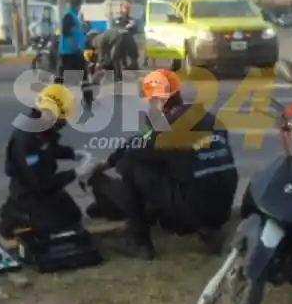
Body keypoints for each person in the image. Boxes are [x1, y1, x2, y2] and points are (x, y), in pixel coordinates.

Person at [78, 68, 238, 260]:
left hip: (194, 210)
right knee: (176, 167)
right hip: (223, 209)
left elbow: (133, 148)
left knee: (130, 164)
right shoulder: (212, 119)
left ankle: (140, 243)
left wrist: (106, 164)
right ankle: (208, 232)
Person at [0, 84, 87, 239]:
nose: (63, 123)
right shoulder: (28, 138)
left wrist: (72, 154)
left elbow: (49, 149)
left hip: (44, 190)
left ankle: (34, 212)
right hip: (30, 192)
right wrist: (76, 173)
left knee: (73, 216)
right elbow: (41, 182)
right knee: (56, 227)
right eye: (61, 118)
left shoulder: (42, 128)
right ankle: (15, 213)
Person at [56, 0, 93, 110]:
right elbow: (67, 34)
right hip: (69, 53)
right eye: (79, 5)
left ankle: (89, 100)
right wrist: (76, 47)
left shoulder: (74, 16)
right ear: (76, 5)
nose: (80, 7)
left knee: (83, 76)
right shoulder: (69, 16)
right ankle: (55, 99)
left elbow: (76, 33)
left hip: (75, 53)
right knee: (63, 78)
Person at [111, 2, 140, 70]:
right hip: (119, 39)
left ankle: (133, 61)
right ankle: (120, 62)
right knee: (121, 39)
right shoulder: (116, 20)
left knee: (128, 38)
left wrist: (127, 28)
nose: (127, 10)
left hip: (129, 39)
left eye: (128, 8)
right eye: (125, 8)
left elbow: (135, 29)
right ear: (121, 9)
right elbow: (115, 29)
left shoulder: (132, 20)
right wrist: (126, 29)